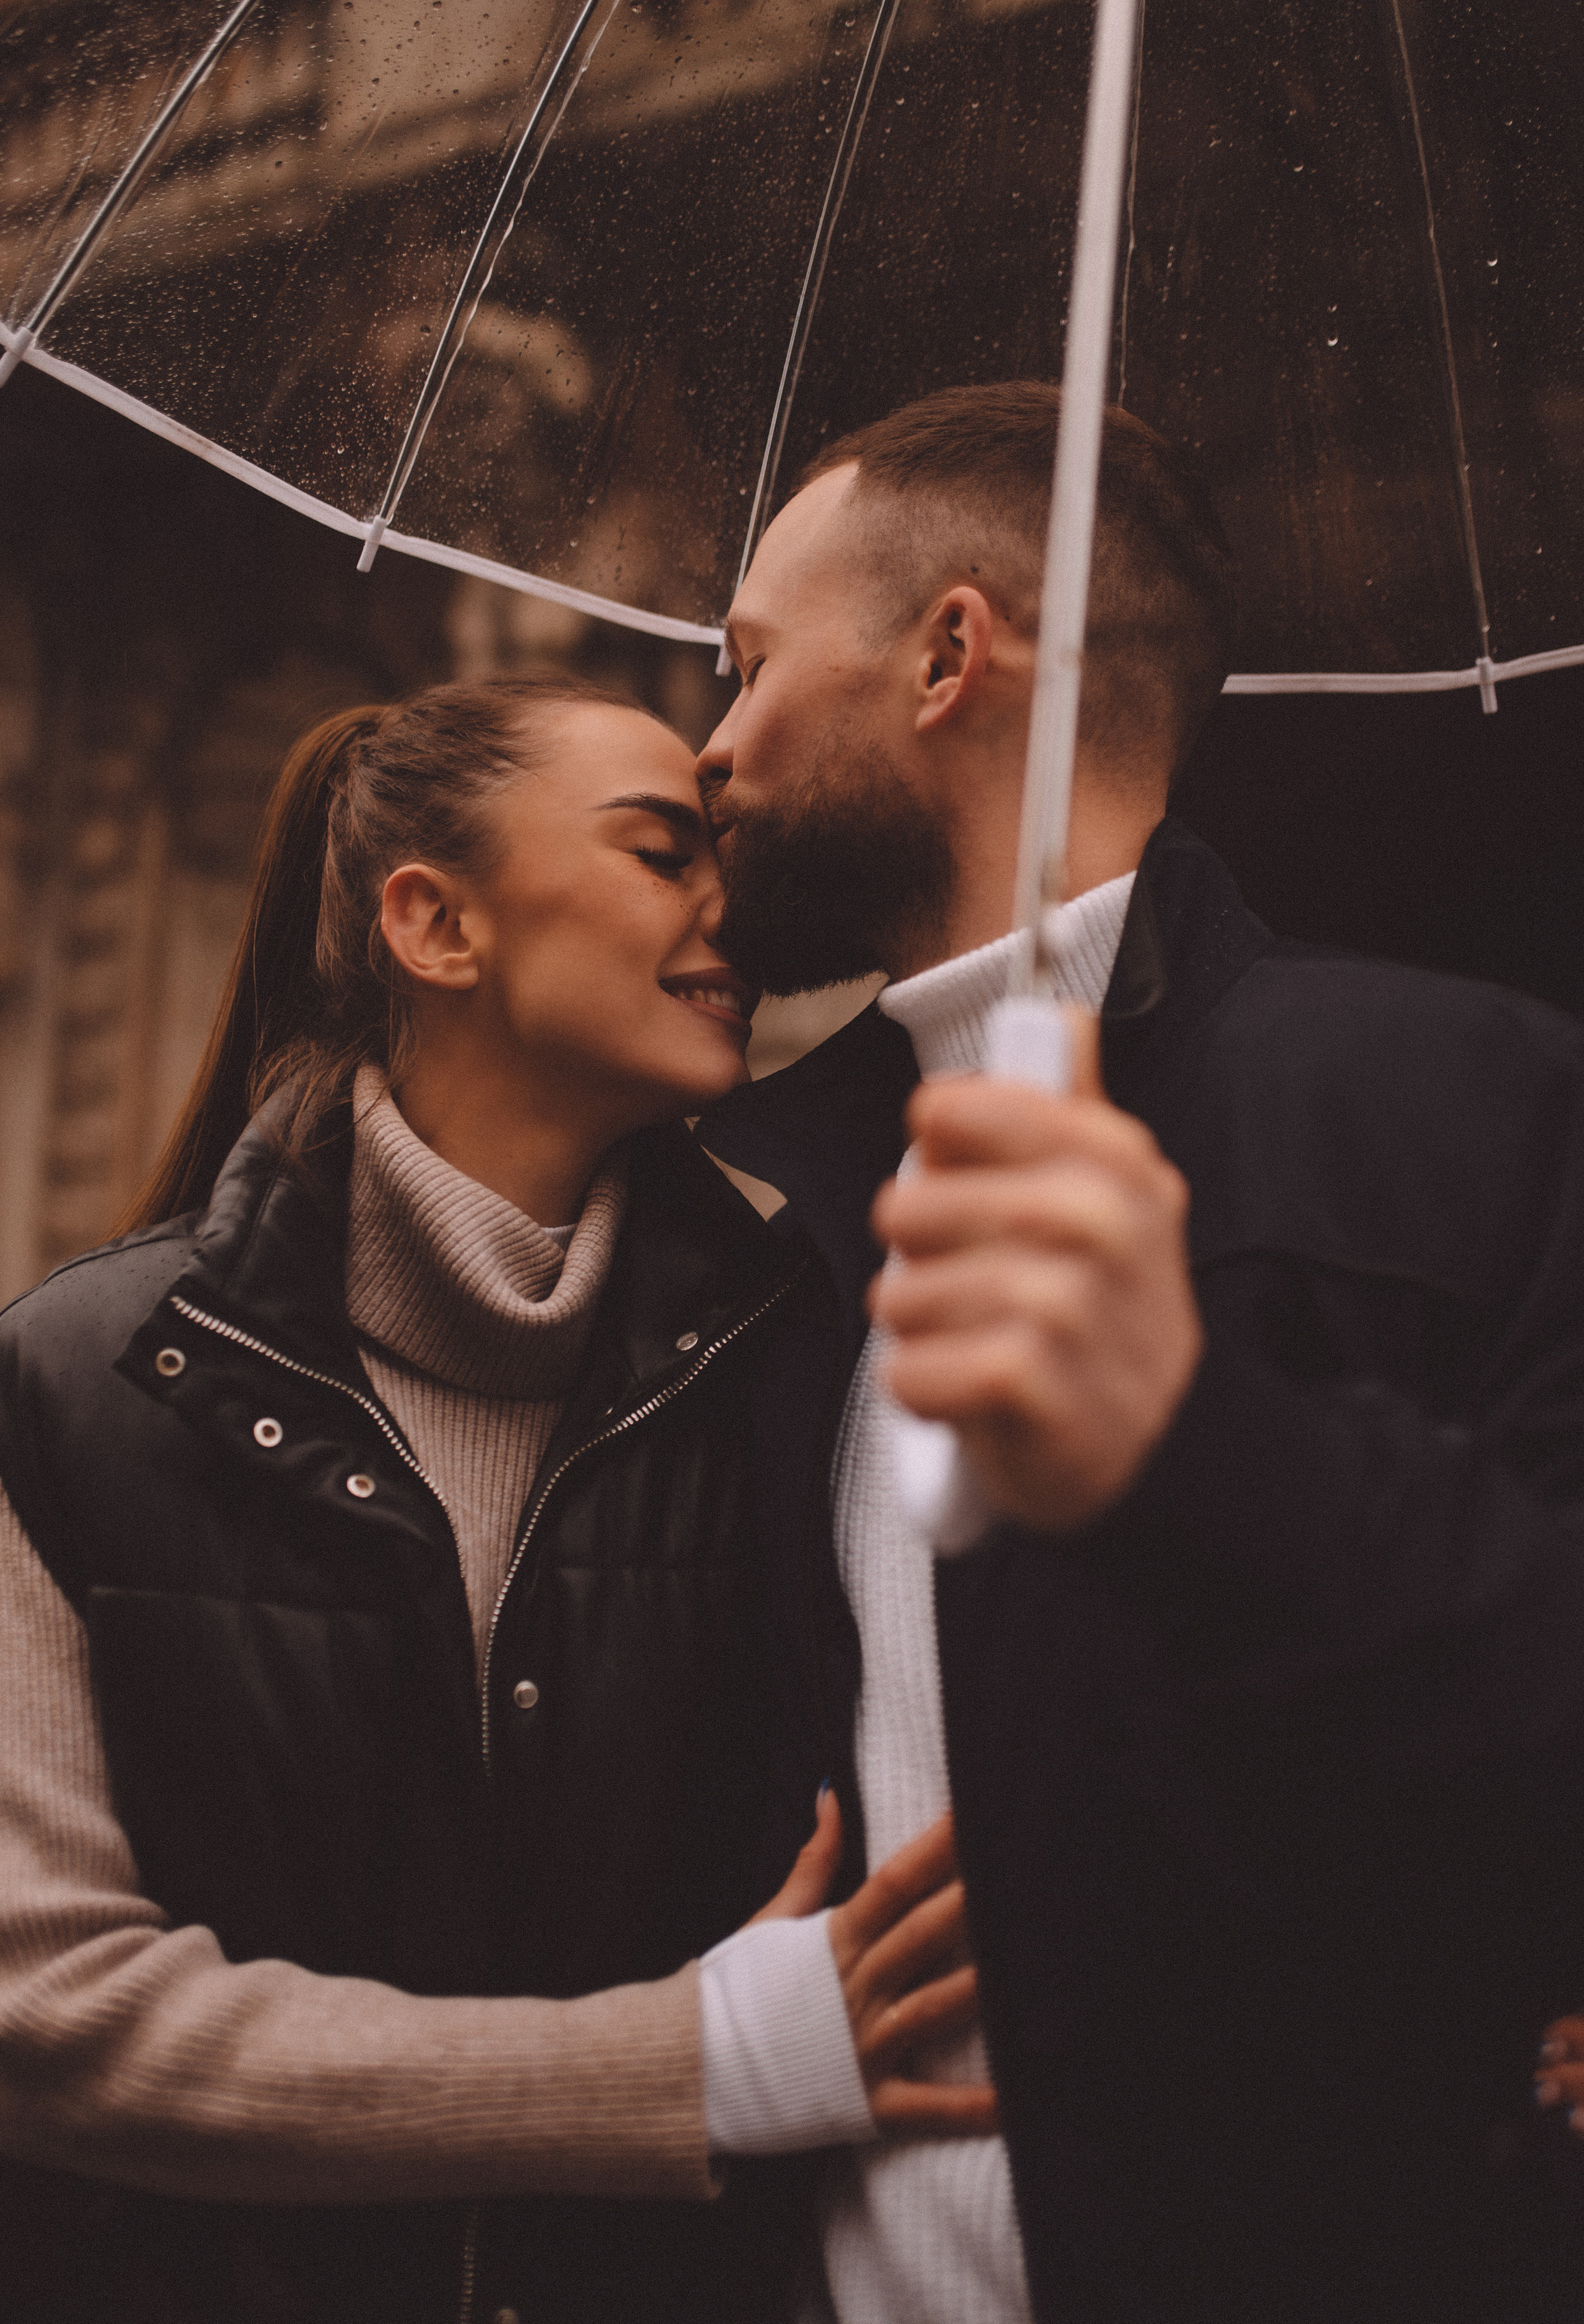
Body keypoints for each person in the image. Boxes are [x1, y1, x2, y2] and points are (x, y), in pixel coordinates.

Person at [695, 381, 1584, 2323]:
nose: (715, 745)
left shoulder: (1468, 1108)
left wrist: (1198, 1444)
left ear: (949, 654)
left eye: (753, 664)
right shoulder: (747, 1210)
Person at [0, 674, 994, 2324]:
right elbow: (38, 2004)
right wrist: (687, 2068)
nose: (726, 905)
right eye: (660, 851)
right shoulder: (85, 1387)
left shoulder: (800, 1365)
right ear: (435, 923)